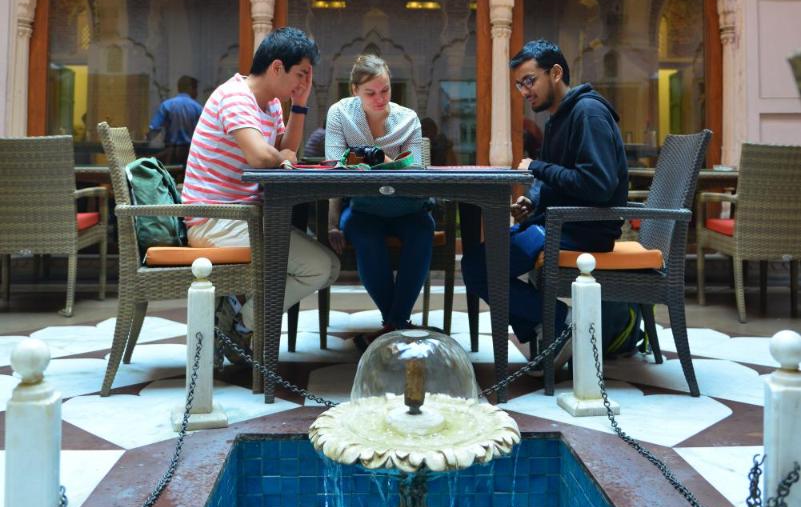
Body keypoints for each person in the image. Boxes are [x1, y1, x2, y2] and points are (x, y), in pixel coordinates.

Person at [461, 38, 628, 352]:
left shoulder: (588, 113)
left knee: (479, 267)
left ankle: (564, 323)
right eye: (519, 85)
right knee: (479, 260)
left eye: (529, 81)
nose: (524, 92)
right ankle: (548, 326)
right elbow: (557, 177)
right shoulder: (559, 119)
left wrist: (537, 166)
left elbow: (598, 183)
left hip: (582, 229)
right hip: (559, 224)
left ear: (555, 72)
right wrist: (533, 200)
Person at [182, 27, 340, 347]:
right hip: (216, 221)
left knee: (329, 266)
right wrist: (279, 155)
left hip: (244, 219)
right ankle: (242, 323)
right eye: (301, 75)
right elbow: (260, 155)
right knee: (321, 268)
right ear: (277, 67)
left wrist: (300, 104)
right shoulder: (236, 96)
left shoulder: (269, 104)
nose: (303, 82)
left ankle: (238, 313)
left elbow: (285, 148)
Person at [325, 54, 435, 334]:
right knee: (365, 236)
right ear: (354, 91)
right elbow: (334, 166)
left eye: (385, 90)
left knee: (424, 230)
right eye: (370, 93)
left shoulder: (408, 119)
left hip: (409, 207)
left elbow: (418, 174)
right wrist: (332, 223)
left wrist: (372, 158)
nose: (379, 98)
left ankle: (394, 322)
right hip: (364, 208)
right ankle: (397, 322)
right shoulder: (340, 113)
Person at [147, 75, 203, 168]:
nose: (196, 93)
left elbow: (154, 128)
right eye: (195, 89)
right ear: (190, 88)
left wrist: (147, 140)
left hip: (170, 152)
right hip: (190, 153)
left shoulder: (167, 105)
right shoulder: (197, 108)